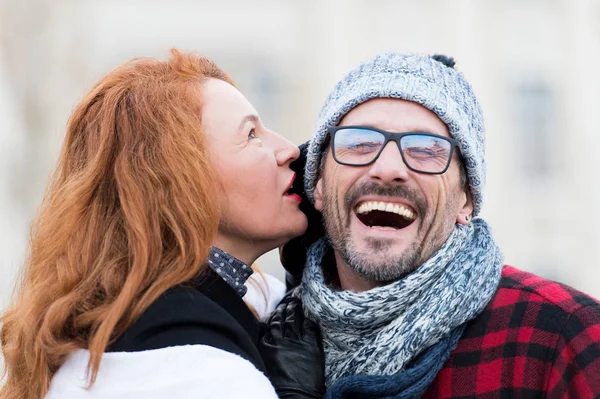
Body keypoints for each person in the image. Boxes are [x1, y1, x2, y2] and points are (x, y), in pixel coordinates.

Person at [0, 49, 324, 399]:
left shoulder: (132, 326)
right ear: (178, 181)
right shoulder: (183, 366)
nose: (290, 150)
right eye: (250, 135)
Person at [279, 52, 600, 398]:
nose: (388, 168)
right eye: (359, 143)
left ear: (466, 199)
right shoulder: (267, 341)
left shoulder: (561, 336)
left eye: (426, 149)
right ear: (319, 184)